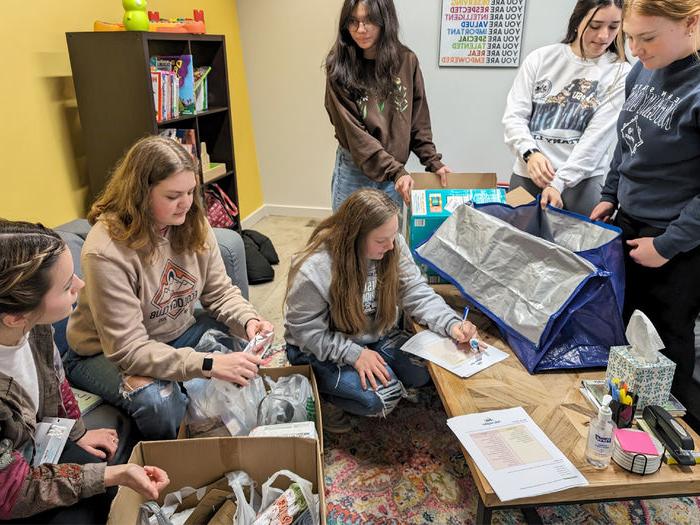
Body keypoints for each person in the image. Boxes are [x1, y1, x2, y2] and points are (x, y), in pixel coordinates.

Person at [64, 136, 273, 440]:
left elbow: (220, 292)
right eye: (173, 195)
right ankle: (173, 455)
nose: (186, 203)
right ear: (140, 194)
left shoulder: (191, 221)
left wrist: (249, 320)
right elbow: (130, 350)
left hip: (173, 333)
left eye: (191, 191)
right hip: (104, 353)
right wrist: (206, 364)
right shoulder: (105, 251)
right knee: (158, 399)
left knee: (240, 347)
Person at [0, 220, 169, 523]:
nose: (80, 285)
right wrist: (112, 474)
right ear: (14, 316)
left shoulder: (36, 329)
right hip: (10, 489)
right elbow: (12, 492)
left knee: (108, 481)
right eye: (67, 286)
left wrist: (77, 432)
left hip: (27, 454)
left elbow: (56, 383)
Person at [284, 189, 481, 433]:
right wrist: (353, 354)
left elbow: (414, 291)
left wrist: (451, 324)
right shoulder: (315, 268)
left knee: (424, 373)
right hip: (317, 350)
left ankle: (371, 373)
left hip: (371, 338)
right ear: (353, 237)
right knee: (380, 400)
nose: (391, 246)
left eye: (394, 236)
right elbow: (305, 332)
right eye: (381, 241)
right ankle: (324, 398)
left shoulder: (392, 243)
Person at [590, 0, 700, 408]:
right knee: (625, 328)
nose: (635, 49)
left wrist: (667, 245)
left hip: (677, 240)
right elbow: (627, 141)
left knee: (666, 340)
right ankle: (625, 415)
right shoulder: (642, 69)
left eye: (647, 38)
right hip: (630, 221)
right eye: (630, 37)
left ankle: (672, 430)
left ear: (690, 23)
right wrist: (610, 193)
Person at [503, 0, 630, 216]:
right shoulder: (541, 58)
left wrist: (559, 183)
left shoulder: (620, 72)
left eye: (613, 26)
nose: (603, 36)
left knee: (576, 247)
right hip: (527, 175)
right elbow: (514, 117)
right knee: (515, 241)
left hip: (580, 183)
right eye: (595, 25)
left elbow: (596, 140)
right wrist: (530, 154)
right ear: (577, 21)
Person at [325, 0, 451, 211]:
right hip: (355, 169)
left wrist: (433, 161)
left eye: (369, 21)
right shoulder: (338, 66)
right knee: (347, 239)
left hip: (394, 173)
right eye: (353, 21)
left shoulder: (406, 61)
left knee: (387, 239)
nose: (360, 30)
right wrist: (397, 172)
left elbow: (418, 121)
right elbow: (356, 135)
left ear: (385, 20)